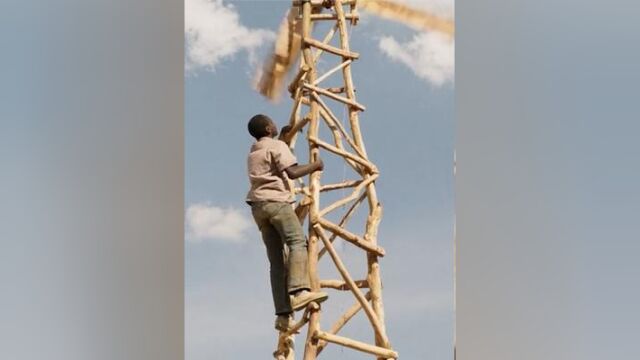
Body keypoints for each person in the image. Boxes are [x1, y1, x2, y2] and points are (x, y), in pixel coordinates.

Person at [245, 114, 329, 332]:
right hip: (277, 203)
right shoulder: (276, 146)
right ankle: (300, 291)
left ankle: (283, 316)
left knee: (276, 262)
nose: (274, 124)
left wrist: (283, 136)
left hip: (258, 208)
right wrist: (316, 165)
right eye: (272, 122)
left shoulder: (254, 152)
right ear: (268, 128)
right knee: (297, 242)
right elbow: (291, 172)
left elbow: (276, 151)